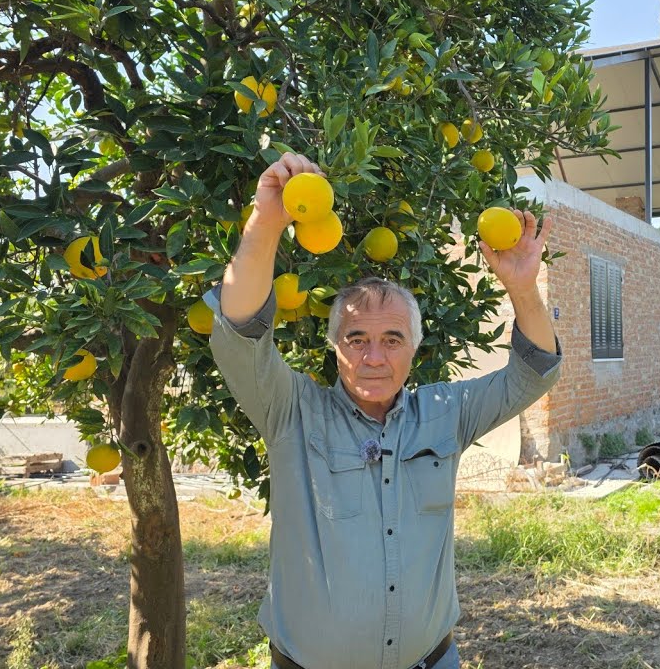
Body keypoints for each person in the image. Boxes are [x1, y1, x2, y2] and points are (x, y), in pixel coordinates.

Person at [204, 152, 562, 669]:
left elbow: (535, 373)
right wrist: (267, 222)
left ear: (414, 348)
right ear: (334, 346)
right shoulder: (291, 412)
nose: (374, 357)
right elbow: (239, 334)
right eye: (357, 339)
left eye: (392, 339)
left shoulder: (445, 412)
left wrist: (524, 291)